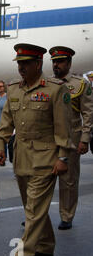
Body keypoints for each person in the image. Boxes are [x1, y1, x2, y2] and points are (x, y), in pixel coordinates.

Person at [0, 43, 72, 256]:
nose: (21, 68)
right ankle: (46, 248)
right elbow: (6, 121)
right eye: (19, 63)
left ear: (38, 64)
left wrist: (63, 157)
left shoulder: (55, 90)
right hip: (21, 158)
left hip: (46, 158)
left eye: (26, 63)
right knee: (34, 206)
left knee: (34, 208)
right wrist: (0, 145)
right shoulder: (14, 89)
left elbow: (63, 128)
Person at [49, 46, 93, 230]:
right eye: (54, 62)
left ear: (69, 63)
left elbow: (88, 113)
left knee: (68, 179)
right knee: (42, 177)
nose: (56, 65)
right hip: (49, 138)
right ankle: (37, 213)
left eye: (59, 61)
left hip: (72, 138)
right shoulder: (47, 83)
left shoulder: (81, 84)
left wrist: (85, 139)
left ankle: (66, 215)